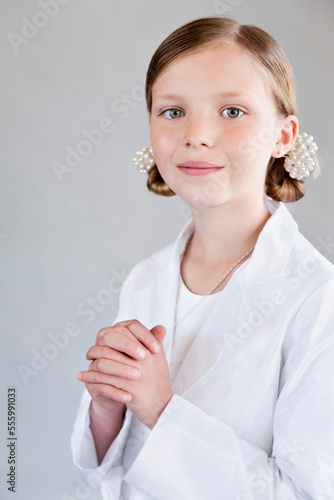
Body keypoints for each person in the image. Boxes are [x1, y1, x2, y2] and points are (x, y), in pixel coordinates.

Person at [71, 16, 334, 500]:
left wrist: (160, 409)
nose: (197, 134)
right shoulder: (145, 279)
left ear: (283, 135)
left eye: (232, 111)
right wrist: (107, 409)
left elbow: (304, 493)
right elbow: (110, 474)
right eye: (173, 112)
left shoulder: (318, 300)